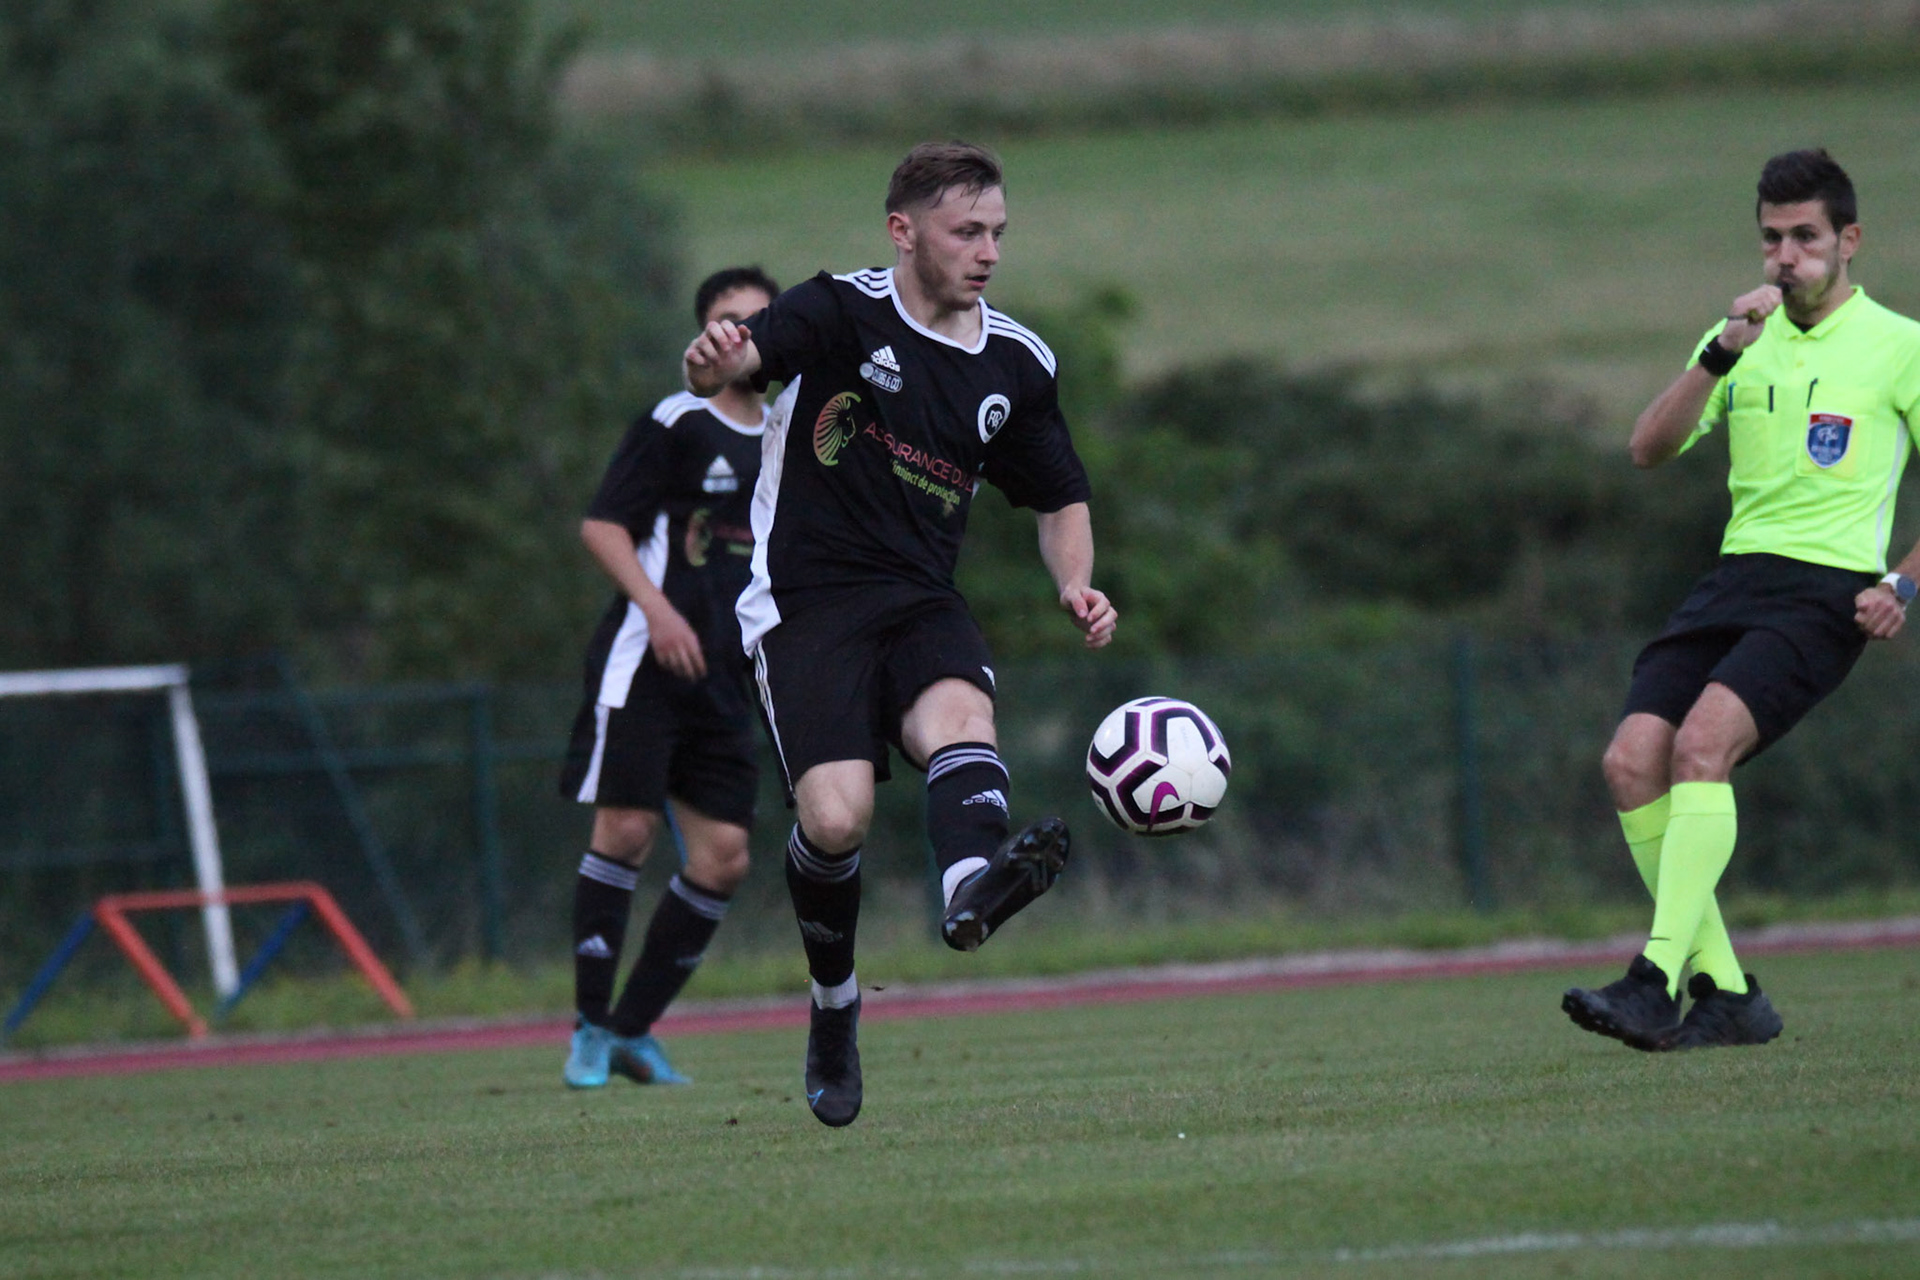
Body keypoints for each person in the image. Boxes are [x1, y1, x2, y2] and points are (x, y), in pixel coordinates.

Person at [683, 141, 1117, 1126]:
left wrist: (1076, 583)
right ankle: (835, 1002)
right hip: (805, 601)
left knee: (962, 721)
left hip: (921, 598)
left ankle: (971, 887)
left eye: (998, 232)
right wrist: (714, 359)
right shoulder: (839, 309)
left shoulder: (1017, 363)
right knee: (836, 821)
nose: (988, 252)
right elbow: (743, 357)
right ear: (904, 231)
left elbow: (1061, 495)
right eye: (967, 232)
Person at [1563, 149, 1920, 1052]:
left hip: (1826, 589)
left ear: (1849, 241)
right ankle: (1727, 993)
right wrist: (1719, 354)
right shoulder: (1737, 339)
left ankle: (1655, 980)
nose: (1785, 257)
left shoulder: (1900, 345)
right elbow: (1648, 448)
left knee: (1701, 748)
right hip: (1734, 579)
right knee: (1630, 761)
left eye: (1805, 237)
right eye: (1771, 239)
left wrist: (1903, 582)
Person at [558, 266, 781, 1089]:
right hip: (647, 664)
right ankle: (588, 1029)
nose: (739, 332)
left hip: (727, 676)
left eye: (756, 319)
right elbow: (602, 527)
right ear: (703, 333)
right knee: (625, 832)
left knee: (724, 858)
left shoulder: (791, 433)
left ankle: (632, 1031)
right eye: (725, 319)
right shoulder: (676, 420)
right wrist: (657, 611)